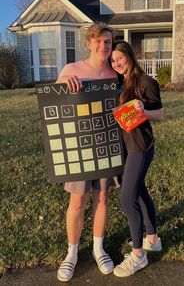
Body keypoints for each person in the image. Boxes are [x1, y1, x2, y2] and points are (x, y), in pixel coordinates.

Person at [56, 22, 117, 282]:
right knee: (78, 201)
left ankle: (97, 247)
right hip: (79, 146)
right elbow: (54, 101)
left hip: (104, 144)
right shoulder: (72, 69)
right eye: (99, 41)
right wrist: (62, 83)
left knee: (102, 197)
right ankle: (72, 253)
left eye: (108, 43)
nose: (104, 46)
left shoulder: (115, 73)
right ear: (89, 43)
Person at [110, 41, 164, 277]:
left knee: (126, 197)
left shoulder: (146, 82)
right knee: (139, 192)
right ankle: (153, 238)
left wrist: (143, 111)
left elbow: (160, 114)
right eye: (112, 61)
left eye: (119, 58)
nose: (116, 63)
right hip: (127, 146)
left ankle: (138, 255)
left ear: (129, 56)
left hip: (140, 147)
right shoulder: (120, 83)